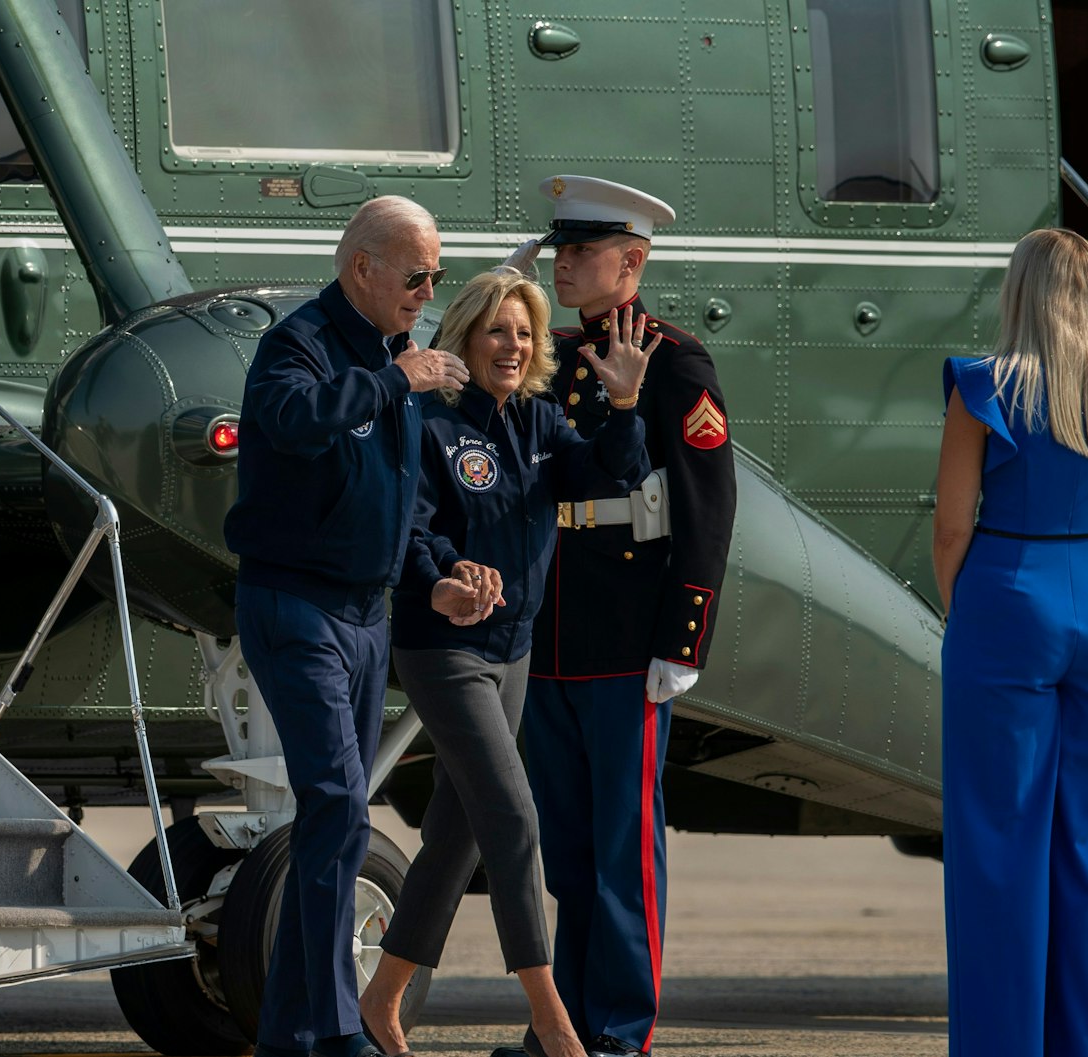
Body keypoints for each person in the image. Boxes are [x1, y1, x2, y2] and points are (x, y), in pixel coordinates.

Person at [357, 268, 653, 1057]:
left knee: (458, 835)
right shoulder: (428, 421)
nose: (512, 345)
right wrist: (447, 575)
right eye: (497, 329)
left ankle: (380, 1000)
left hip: (511, 651)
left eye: (524, 332)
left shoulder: (537, 422)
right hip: (443, 648)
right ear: (465, 335)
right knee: (515, 819)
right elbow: (412, 533)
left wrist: (624, 406)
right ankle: (554, 1023)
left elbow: (610, 471)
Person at [222, 196, 469, 1057]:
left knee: (340, 813)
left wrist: (434, 581)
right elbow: (290, 422)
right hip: (297, 603)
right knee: (337, 803)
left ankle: (294, 1027)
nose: (427, 291)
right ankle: (332, 1025)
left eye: (436, 276)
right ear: (361, 267)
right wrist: (398, 379)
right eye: (416, 274)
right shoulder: (299, 345)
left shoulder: (395, 354)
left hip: (367, 613)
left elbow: (399, 502)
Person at [932, 228, 1088, 1057]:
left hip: (1007, 595)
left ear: (1022, 293)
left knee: (998, 848)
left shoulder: (985, 388)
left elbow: (952, 525)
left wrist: (964, 610)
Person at [517, 175, 738, 1057]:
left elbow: (706, 509)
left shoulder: (676, 363)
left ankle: (617, 1032)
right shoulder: (552, 355)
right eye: (560, 248)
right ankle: (563, 1029)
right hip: (549, 635)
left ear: (632, 262)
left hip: (625, 637)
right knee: (567, 852)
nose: (564, 261)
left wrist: (683, 638)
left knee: (621, 852)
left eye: (583, 250)